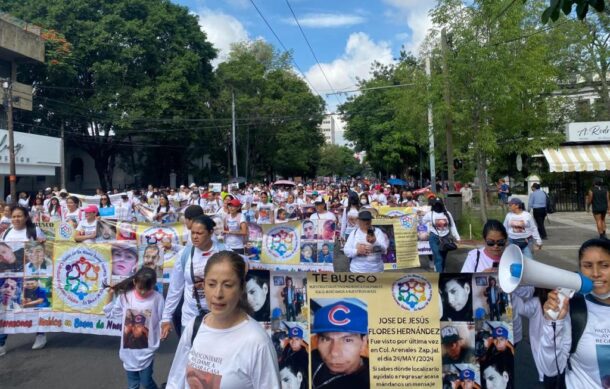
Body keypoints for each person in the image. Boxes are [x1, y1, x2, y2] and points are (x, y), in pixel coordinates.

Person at [166, 251, 280, 388]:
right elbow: (175, 381)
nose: (218, 294)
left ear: (241, 288)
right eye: (212, 284)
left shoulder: (257, 342)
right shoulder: (195, 327)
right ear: (203, 286)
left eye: (228, 285)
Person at [539, 238, 610, 388]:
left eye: (604, 265)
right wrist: (553, 323)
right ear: (580, 270)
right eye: (587, 266)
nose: (596, 273)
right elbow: (550, 369)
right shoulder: (573, 308)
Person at [161, 215, 226, 340]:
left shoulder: (224, 252)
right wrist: (166, 318)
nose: (195, 237)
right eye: (193, 233)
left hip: (219, 317)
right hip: (190, 317)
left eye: (200, 233)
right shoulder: (185, 254)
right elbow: (175, 288)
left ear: (211, 232)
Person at [104, 267, 164, 389]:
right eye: (140, 288)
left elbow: (164, 318)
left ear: (153, 285)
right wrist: (109, 296)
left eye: (147, 289)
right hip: (128, 353)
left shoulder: (157, 298)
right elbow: (110, 313)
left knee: (146, 382)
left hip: (146, 352)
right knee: (133, 385)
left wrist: (165, 329)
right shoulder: (125, 297)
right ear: (134, 282)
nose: (143, 292)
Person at [0, 205, 46, 353]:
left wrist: (42, 242)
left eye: (19, 216)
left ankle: (40, 334)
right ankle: (2, 342)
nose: (16, 219)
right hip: (9, 276)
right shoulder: (6, 232)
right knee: (6, 308)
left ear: (26, 217)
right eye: (14, 216)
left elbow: (44, 249)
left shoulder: (33, 231)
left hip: (30, 275)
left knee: (33, 306)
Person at [311, 301, 369, 389]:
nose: (334, 352)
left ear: (364, 342)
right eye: (326, 339)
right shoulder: (312, 358)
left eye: (348, 340)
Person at [422, 198, 460, 272]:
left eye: (439, 204)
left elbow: (452, 225)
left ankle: (440, 270)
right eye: (436, 204)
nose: (438, 206)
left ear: (442, 205)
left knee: (443, 258)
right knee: (438, 257)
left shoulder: (447, 214)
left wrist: (457, 237)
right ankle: (439, 274)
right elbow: (423, 222)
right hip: (434, 238)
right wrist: (427, 230)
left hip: (446, 238)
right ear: (434, 205)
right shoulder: (430, 214)